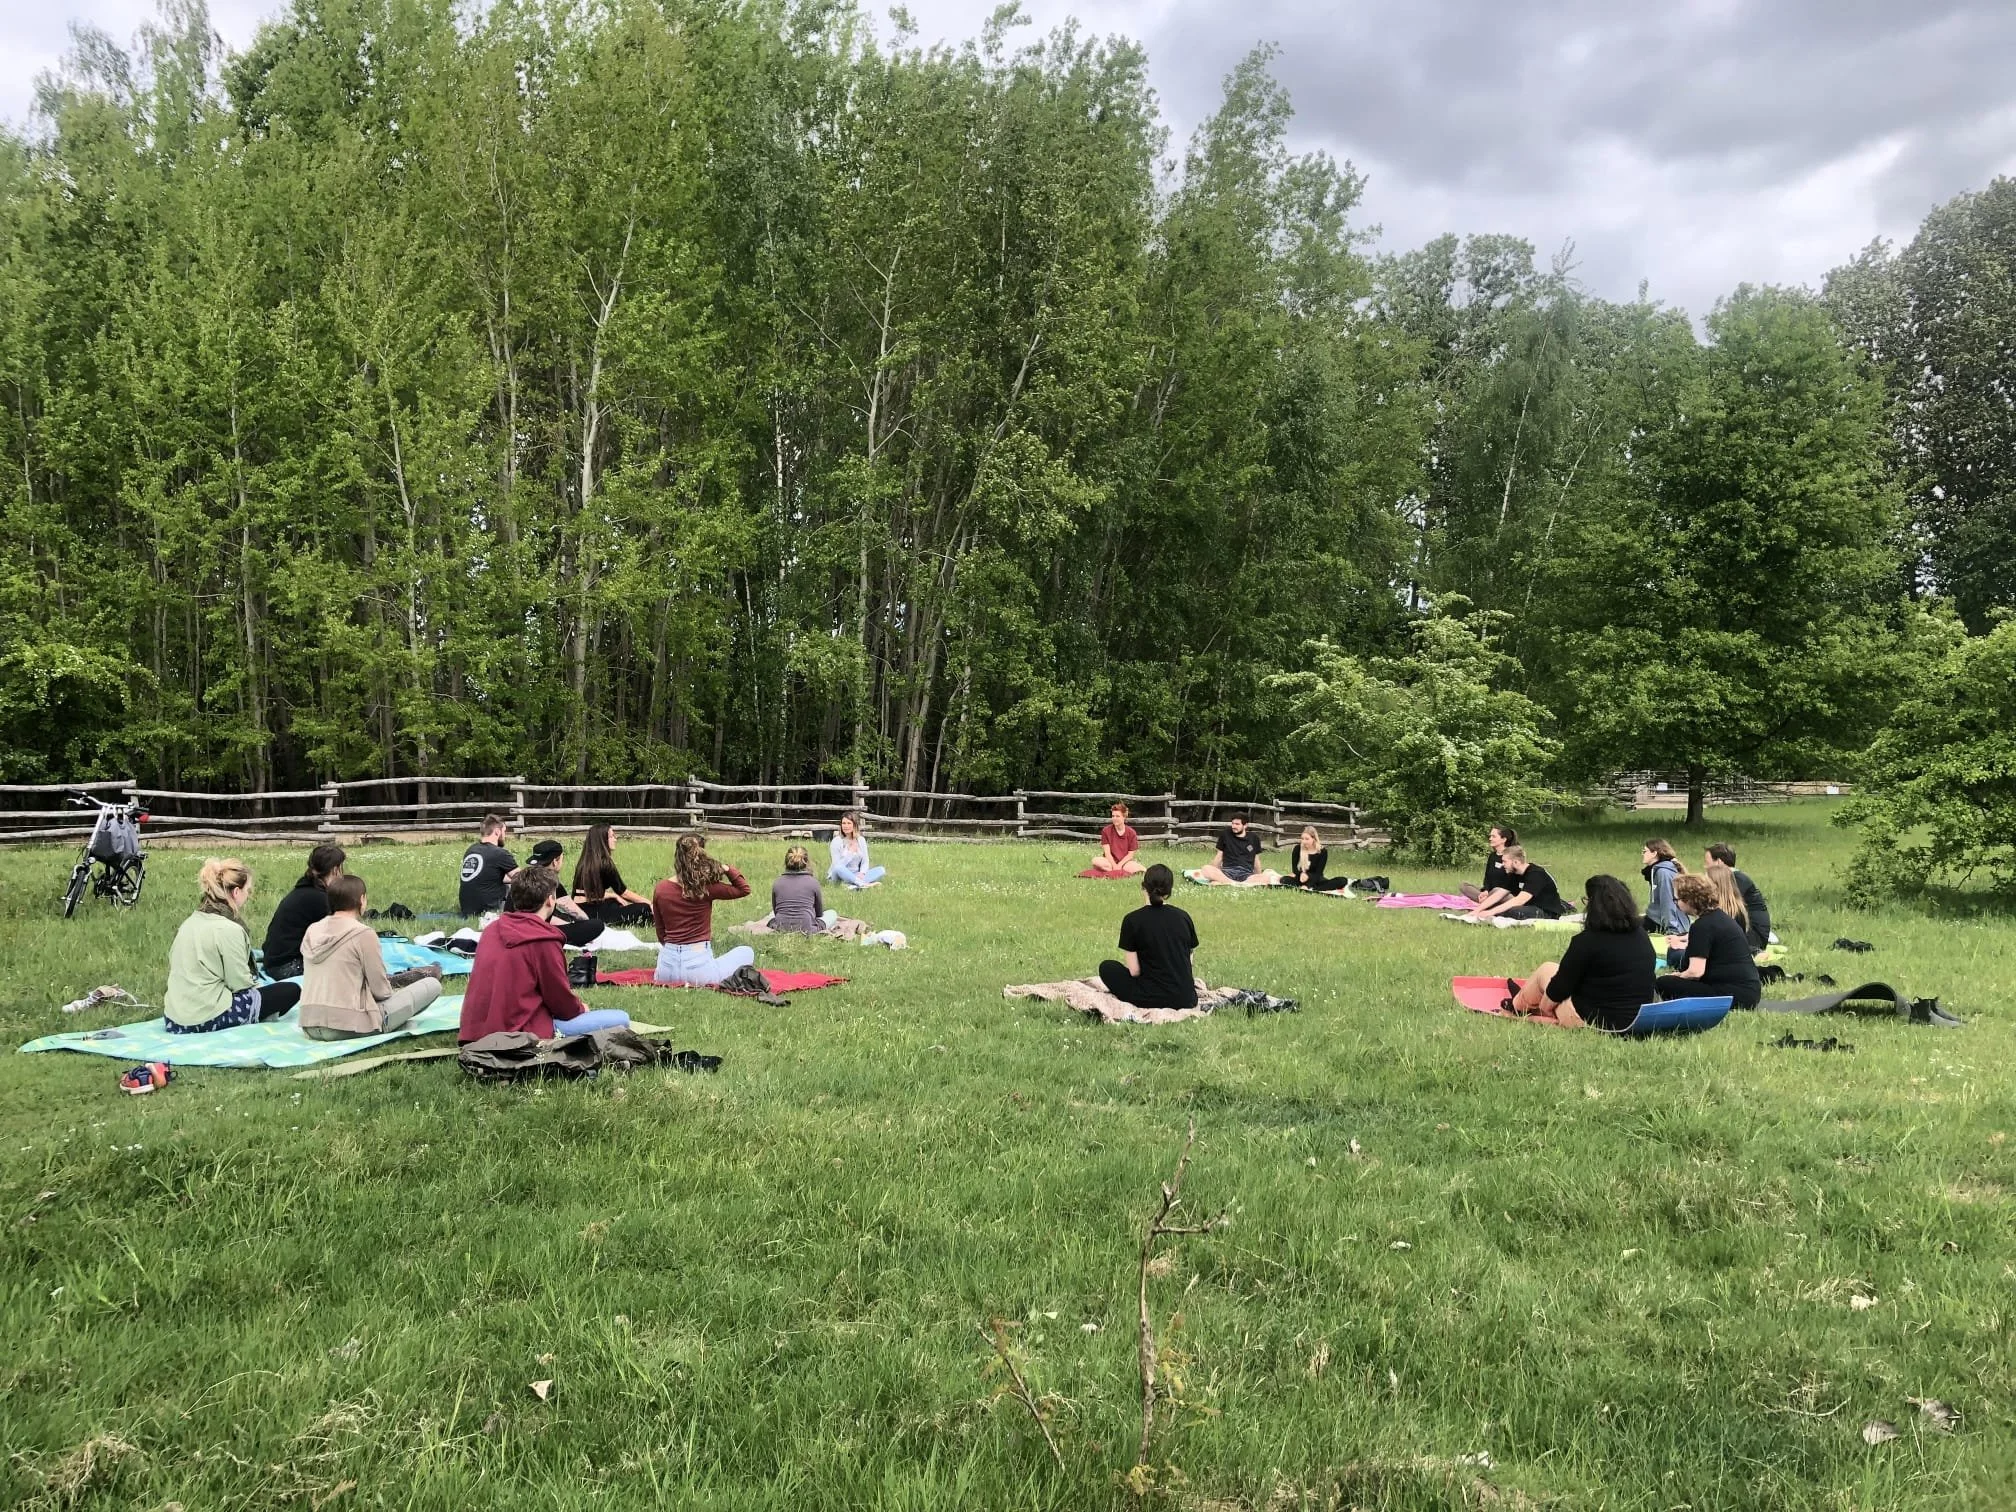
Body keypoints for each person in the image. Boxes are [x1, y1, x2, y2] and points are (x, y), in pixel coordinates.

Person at [459, 869, 630, 1042]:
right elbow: (561, 1003)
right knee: (621, 1018)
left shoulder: (491, 930)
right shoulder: (544, 940)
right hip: (520, 1032)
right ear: (550, 900)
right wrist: (580, 1009)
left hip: (475, 1033)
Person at [299, 874, 444, 1041]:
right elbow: (381, 991)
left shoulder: (313, 930)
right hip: (347, 1026)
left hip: (309, 1024)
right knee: (432, 984)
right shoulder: (363, 934)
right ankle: (390, 1024)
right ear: (362, 899)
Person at [164, 859, 302, 1033]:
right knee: (291, 990)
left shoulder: (189, 922)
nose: (249, 895)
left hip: (174, 1017)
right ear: (236, 892)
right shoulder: (229, 930)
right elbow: (240, 984)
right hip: (206, 1016)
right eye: (247, 890)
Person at [1507, 875, 1657, 1029]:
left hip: (1595, 1019)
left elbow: (1559, 989)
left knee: (1546, 969)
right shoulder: (1641, 935)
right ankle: (1523, 1002)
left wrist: (1546, 1007)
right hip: (1637, 1018)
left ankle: (1516, 1006)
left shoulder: (1587, 941)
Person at [653, 832, 759, 984]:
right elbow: (744, 889)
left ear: (677, 856)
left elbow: (660, 932)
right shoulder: (705, 887)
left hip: (666, 969)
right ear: (702, 855)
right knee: (746, 952)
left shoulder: (661, 888)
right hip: (698, 969)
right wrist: (725, 867)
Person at [1099, 864, 1200, 1009]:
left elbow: (1135, 972)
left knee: (1107, 967)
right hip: (1186, 998)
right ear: (1169, 890)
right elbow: (1188, 962)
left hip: (1150, 998)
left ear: (1143, 887)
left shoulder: (1132, 920)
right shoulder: (1183, 917)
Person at [1657, 872, 1762, 1008]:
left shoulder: (1702, 926)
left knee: (1664, 983)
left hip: (1733, 995)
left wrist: (1678, 976)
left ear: (1689, 900)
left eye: (1677, 900)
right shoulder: (1720, 917)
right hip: (1748, 991)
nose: (1676, 903)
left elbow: (1696, 972)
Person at [261, 842, 347, 980]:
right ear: (335, 870)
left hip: (273, 960)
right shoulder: (318, 899)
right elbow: (336, 938)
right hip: (286, 966)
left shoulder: (305, 890)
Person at [522, 839, 607, 949]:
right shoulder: (550, 882)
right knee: (596, 925)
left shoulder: (521, 878)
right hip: (537, 932)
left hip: (513, 926)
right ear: (555, 861)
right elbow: (575, 912)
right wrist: (585, 925)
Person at [571, 823, 654, 924]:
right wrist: (650, 904)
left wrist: (611, 895)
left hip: (578, 909)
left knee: (614, 902)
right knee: (644, 908)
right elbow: (624, 892)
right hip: (593, 913)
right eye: (611, 836)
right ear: (602, 840)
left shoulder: (584, 862)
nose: (615, 839)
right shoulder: (605, 863)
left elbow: (582, 893)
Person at [1467, 846, 1571, 921]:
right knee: (1499, 906)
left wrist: (1490, 912)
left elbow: (1520, 900)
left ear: (1516, 862)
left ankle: (1565, 906)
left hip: (1545, 910)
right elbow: (1499, 894)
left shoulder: (1535, 874)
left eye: (1505, 862)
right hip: (1529, 906)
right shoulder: (1514, 873)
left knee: (1512, 911)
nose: (1503, 865)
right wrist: (1478, 910)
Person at [1705, 843, 1772, 951]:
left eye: (1707, 863)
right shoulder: (1735, 878)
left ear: (1719, 862)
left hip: (1753, 937)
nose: (1705, 867)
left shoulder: (1737, 880)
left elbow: (1724, 912)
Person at [1194, 813, 1278, 886]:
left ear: (1245, 825)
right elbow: (1219, 856)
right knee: (1206, 868)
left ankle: (1226, 882)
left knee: (1267, 877)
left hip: (1246, 873)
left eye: (1237, 824)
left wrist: (1259, 875)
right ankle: (1233, 883)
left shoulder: (1254, 838)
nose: (1234, 826)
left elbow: (1256, 860)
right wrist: (1214, 871)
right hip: (1227, 872)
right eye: (1233, 823)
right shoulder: (1225, 834)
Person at [459, 813, 517, 915]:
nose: (505, 836)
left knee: (509, 883)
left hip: (467, 908)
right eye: (504, 832)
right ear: (497, 832)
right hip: (490, 909)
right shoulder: (499, 853)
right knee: (520, 887)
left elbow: (487, 876)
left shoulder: (471, 850)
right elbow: (525, 880)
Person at [768, 845, 834, 935]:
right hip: (807, 928)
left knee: (771, 914)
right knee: (832, 913)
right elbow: (819, 914)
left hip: (781, 926)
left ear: (786, 862)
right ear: (806, 862)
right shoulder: (813, 882)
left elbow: (776, 911)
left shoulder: (777, 883)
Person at [1460, 825, 1517, 906]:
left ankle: (1488, 902)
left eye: (1493, 836)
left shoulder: (1511, 856)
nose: (1490, 839)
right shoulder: (1492, 856)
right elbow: (1487, 877)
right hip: (1489, 893)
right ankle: (1487, 902)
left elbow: (1512, 882)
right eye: (1490, 836)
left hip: (1503, 894)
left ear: (1503, 839)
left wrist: (1495, 893)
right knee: (1464, 885)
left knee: (1499, 892)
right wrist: (1486, 891)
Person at [1278, 826, 1348, 891]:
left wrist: (1308, 883)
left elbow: (1318, 873)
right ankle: (1311, 888)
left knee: (1342, 880)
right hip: (1300, 878)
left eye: (1307, 839)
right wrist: (1301, 874)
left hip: (1315, 879)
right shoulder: (1297, 848)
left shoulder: (1322, 851)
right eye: (1302, 839)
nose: (1304, 841)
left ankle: (1313, 888)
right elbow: (1294, 869)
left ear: (1314, 839)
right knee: (1284, 880)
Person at [1640, 838, 1686, 935]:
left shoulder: (1663, 873)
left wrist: (1672, 929)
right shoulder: (1658, 871)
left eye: (1645, 851)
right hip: (1656, 918)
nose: (1642, 854)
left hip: (1660, 922)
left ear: (1654, 853)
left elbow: (1668, 901)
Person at [827, 813, 885, 889]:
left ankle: (852, 886)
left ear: (854, 825)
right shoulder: (837, 841)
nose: (846, 826)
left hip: (856, 874)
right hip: (838, 875)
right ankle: (862, 884)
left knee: (881, 870)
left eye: (849, 823)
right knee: (838, 867)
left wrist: (862, 873)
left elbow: (865, 860)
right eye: (843, 823)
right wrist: (850, 853)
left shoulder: (861, 840)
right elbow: (837, 865)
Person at [1089, 803, 1146, 876]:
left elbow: (1130, 855)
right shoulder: (1106, 831)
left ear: (1124, 817)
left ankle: (1118, 870)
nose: (1114, 818)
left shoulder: (1131, 832)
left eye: (1117, 816)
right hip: (1109, 861)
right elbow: (1107, 853)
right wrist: (1114, 865)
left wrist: (1119, 865)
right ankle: (1120, 871)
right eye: (1113, 816)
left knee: (1140, 869)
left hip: (1125, 862)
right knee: (1095, 861)